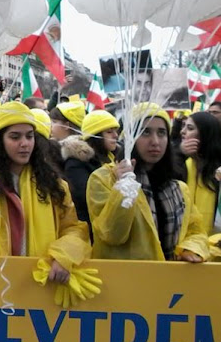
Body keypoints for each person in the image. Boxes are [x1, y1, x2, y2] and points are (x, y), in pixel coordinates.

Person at [0, 102, 90, 281]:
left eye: (29, 136)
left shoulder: (54, 185)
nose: (25, 144)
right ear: (0, 141)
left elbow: (74, 229)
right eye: (15, 137)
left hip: (39, 282)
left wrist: (63, 256)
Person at [87, 103, 209, 262]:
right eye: (145, 132)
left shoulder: (178, 187)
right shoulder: (103, 179)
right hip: (126, 281)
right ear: (131, 137)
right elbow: (111, 236)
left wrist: (189, 249)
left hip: (170, 281)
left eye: (162, 133)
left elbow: (196, 231)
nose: (155, 141)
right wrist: (123, 189)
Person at [61, 110, 119, 226]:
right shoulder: (76, 163)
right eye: (109, 132)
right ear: (96, 136)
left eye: (116, 131)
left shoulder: (116, 156)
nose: (116, 135)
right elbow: (88, 199)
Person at [179, 111, 221, 235]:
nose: (182, 131)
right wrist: (180, 154)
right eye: (183, 126)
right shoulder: (181, 163)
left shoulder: (218, 169)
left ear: (205, 134)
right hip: (182, 246)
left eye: (190, 128)